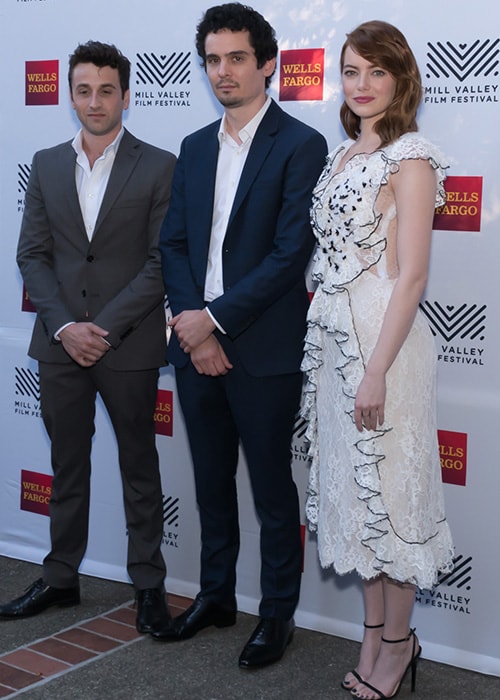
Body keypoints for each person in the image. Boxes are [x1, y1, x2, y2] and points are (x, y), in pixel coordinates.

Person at [154, 3, 327, 669]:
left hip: (262, 349)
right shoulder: (195, 146)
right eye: (213, 59)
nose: (222, 71)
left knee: (273, 489)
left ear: (267, 65)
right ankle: (216, 595)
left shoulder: (301, 144)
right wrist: (193, 327)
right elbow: (173, 244)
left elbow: (288, 258)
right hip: (195, 347)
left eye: (235, 58)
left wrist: (214, 320)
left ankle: (277, 615)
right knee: (210, 482)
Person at [300, 20, 454, 699]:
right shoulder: (340, 155)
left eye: (376, 73)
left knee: (388, 498)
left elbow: (412, 276)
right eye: (351, 72)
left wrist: (375, 370)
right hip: (335, 343)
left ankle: (398, 646)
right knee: (355, 503)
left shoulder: (412, 157)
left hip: (384, 349)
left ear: (400, 80)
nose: (361, 86)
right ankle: (374, 636)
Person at [0, 41, 176, 635]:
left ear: (126, 95)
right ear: (69, 95)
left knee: (138, 466)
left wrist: (104, 328)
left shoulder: (159, 165)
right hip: (59, 343)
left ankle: (148, 583)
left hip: (128, 344)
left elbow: (160, 262)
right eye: (83, 90)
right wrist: (67, 327)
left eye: (106, 90)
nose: (94, 101)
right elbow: (32, 254)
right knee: (66, 464)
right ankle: (59, 577)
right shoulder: (47, 162)